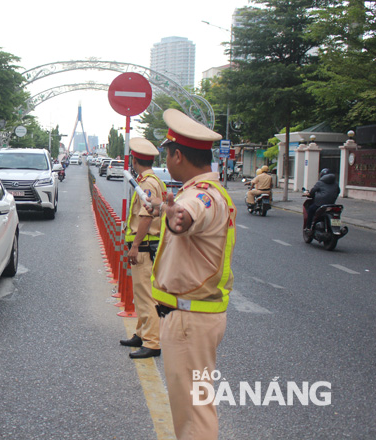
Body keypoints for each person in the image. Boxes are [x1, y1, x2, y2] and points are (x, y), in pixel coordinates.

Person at [148, 108, 236, 440]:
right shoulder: (206, 191)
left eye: (168, 153)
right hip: (193, 317)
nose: (167, 159)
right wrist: (166, 210)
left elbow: (187, 215)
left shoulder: (201, 195)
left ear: (178, 155)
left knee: (194, 413)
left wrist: (176, 217)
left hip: (190, 320)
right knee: (192, 406)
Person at [120, 137, 166, 359]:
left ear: (135, 161)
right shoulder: (153, 180)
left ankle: (152, 343)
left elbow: (146, 216)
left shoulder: (146, 184)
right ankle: (141, 333)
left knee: (146, 297)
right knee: (141, 294)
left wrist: (135, 245)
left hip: (145, 247)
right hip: (148, 246)